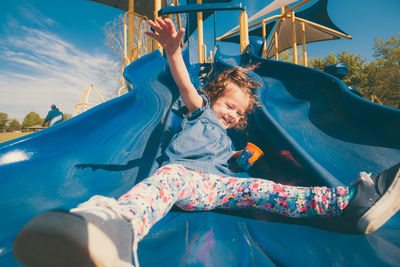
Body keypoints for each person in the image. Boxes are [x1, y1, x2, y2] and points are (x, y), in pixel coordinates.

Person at [14, 18, 400, 267]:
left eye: (238, 112)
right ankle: (112, 227)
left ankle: (346, 203)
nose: (231, 114)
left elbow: (232, 165)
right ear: (213, 99)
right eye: (227, 105)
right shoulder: (199, 110)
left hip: (217, 187)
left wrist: (241, 157)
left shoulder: (228, 136)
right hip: (183, 178)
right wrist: (173, 49)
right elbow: (183, 81)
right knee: (165, 182)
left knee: (266, 191)